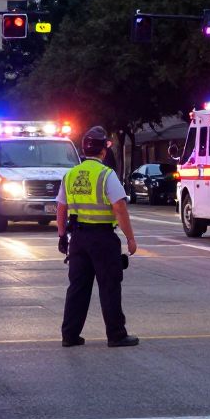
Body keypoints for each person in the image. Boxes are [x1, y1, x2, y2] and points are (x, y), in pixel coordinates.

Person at [57, 126, 139, 348]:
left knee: (77, 287)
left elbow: (61, 207)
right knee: (109, 286)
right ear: (103, 151)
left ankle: (70, 335)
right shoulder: (106, 175)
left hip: (78, 239)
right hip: (103, 238)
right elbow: (119, 207)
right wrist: (130, 238)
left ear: (84, 150)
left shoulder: (70, 175)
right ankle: (116, 334)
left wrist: (62, 235)